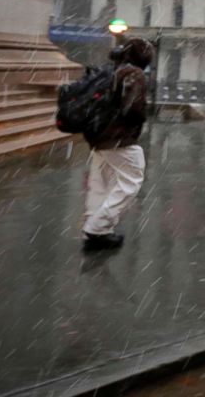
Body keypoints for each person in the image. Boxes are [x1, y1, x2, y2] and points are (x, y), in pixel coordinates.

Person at [82, 38, 154, 251]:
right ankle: (97, 227)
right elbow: (132, 107)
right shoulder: (135, 74)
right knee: (131, 179)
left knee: (100, 183)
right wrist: (142, 114)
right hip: (119, 137)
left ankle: (95, 229)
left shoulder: (113, 69)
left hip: (99, 135)